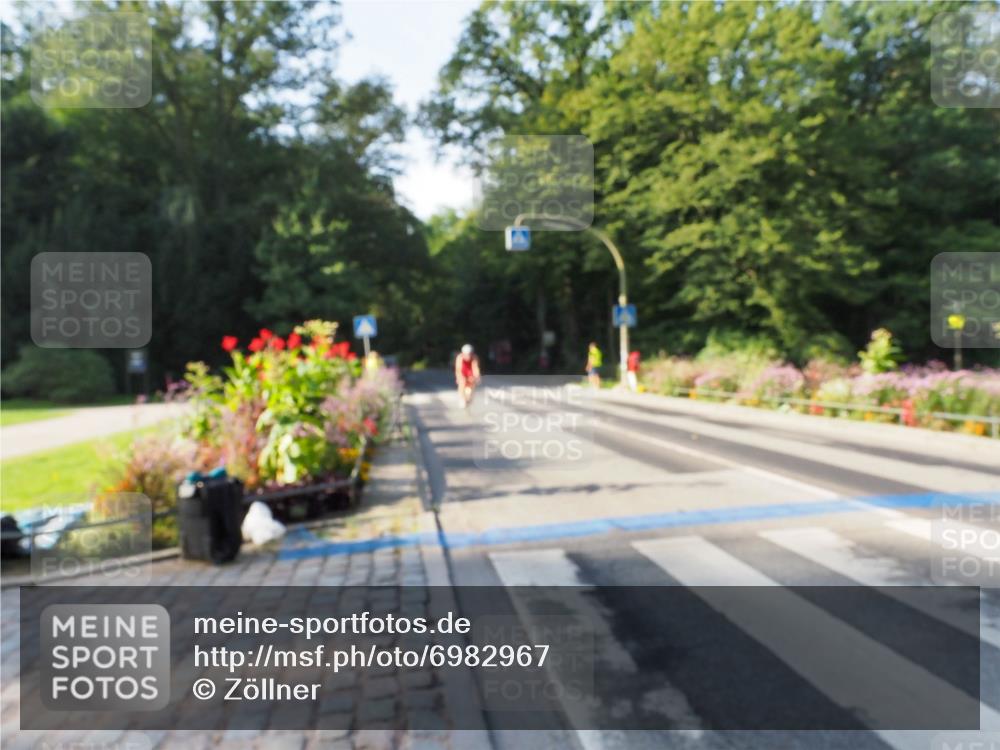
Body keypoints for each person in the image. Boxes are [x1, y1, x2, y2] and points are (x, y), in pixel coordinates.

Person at [455, 344, 481, 408]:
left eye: (470, 354)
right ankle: (462, 398)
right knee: (462, 382)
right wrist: (459, 378)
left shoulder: (474, 357)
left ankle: (470, 396)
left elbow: (475, 368)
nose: (468, 356)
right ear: (463, 353)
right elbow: (458, 369)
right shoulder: (459, 357)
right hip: (462, 372)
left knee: (472, 382)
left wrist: (477, 376)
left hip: (470, 372)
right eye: (466, 354)